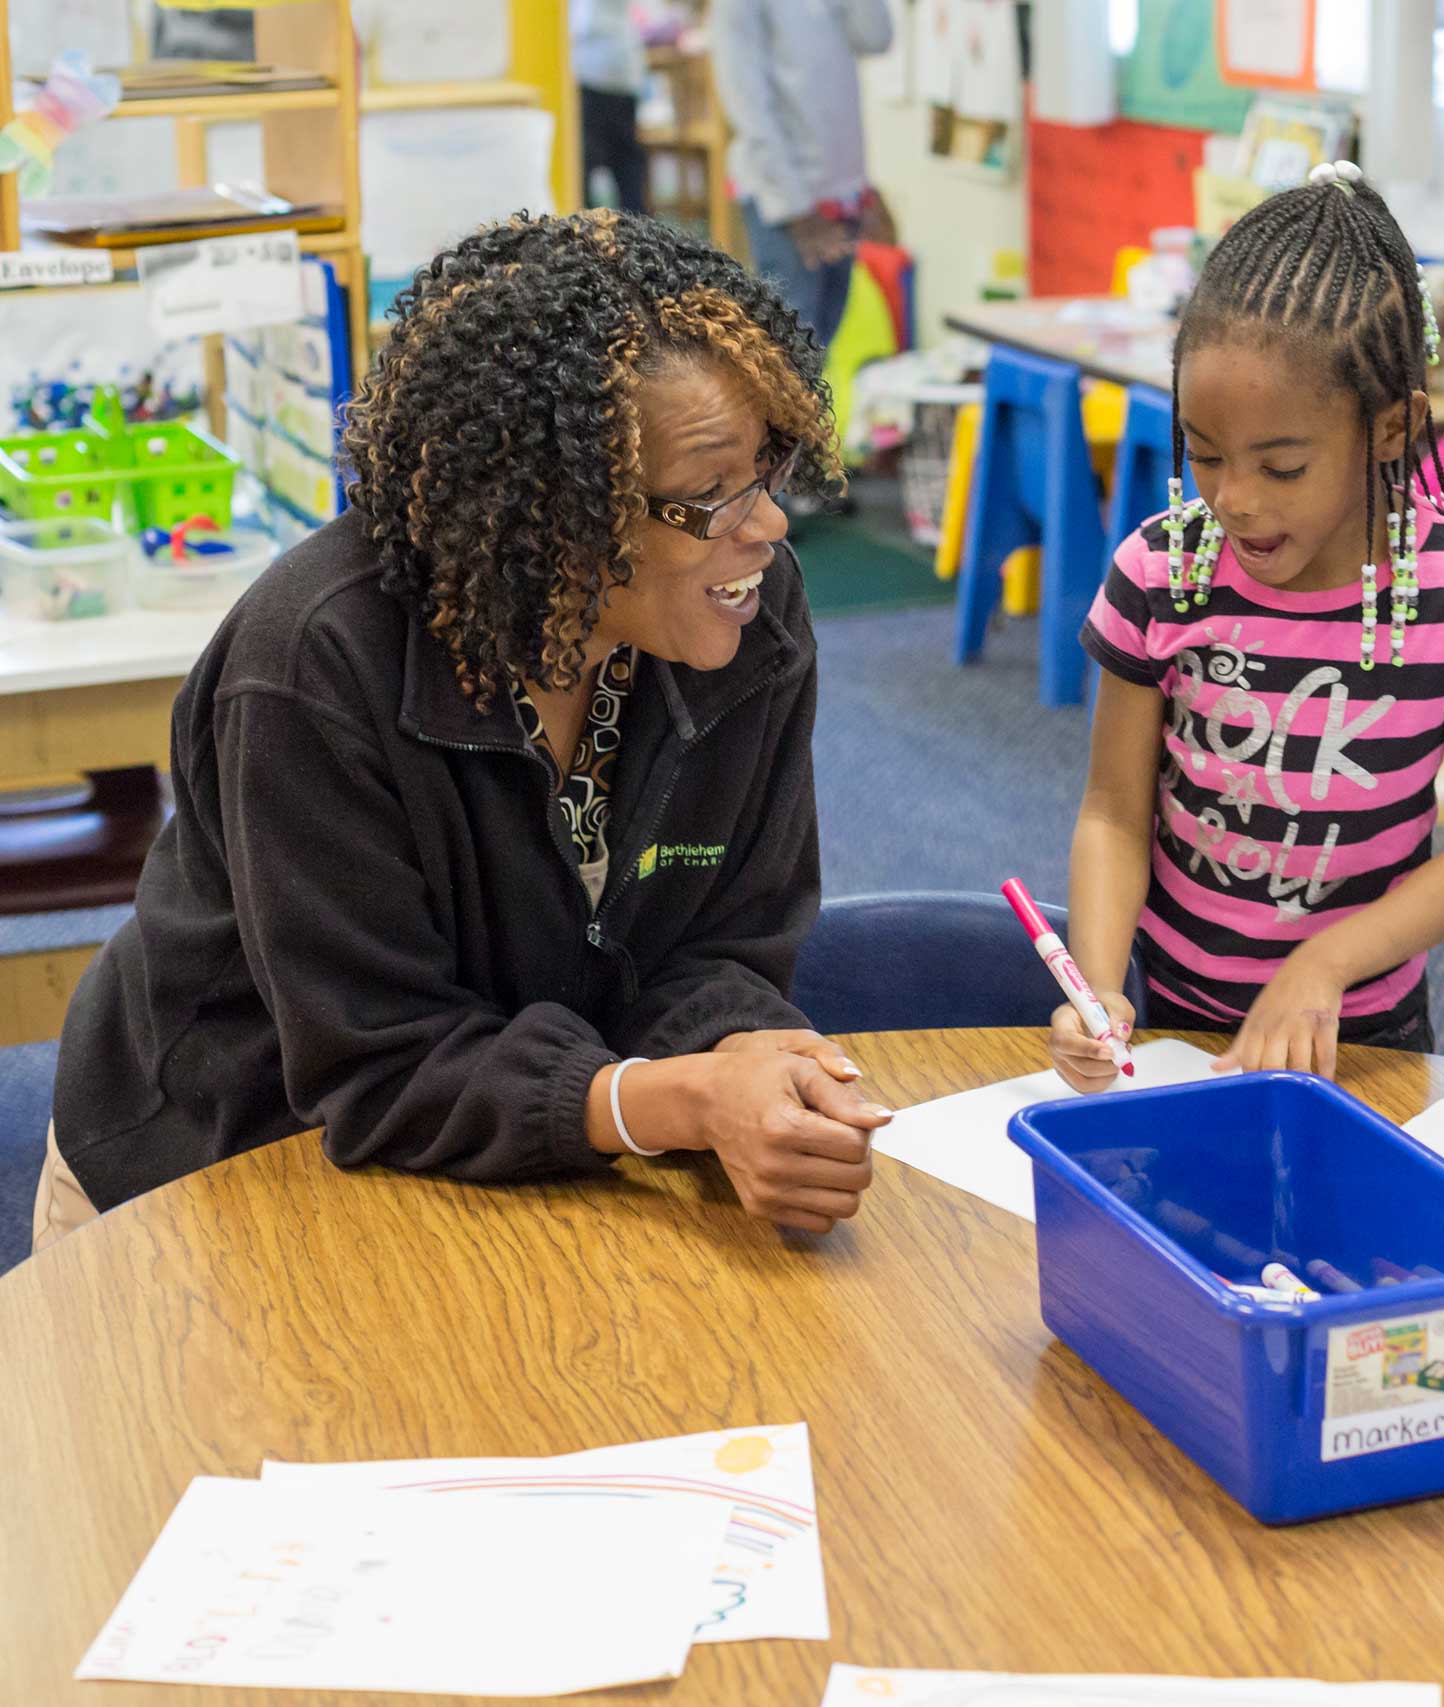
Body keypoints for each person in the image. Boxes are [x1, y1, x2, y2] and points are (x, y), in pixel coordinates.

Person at [39, 212, 884, 1250]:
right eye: (709, 496)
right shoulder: (313, 664)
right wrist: (674, 1102)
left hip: (528, 1156)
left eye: (770, 467)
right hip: (227, 1166)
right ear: (558, 514)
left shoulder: (752, 614)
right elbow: (379, 1064)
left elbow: (727, 939)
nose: (766, 526)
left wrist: (753, 1063)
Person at [1050, 161, 1444, 1086]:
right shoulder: (1161, 573)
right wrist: (1099, 979)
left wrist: (1324, 963)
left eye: (1280, 469)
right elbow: (1115, 811)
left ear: (1393, 429)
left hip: (1361, 1032)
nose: (1234, 500)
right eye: (1205, 455)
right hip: (1174, 1020)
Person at [708, 0, 893, 348]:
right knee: (792, 358)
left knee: (821, 346)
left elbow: (876, 37)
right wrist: (796, 211)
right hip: (788, 204)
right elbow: (747, 105)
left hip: (843, 195)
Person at [573, 0, 650, 215]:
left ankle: (584, 235)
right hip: (624, 72)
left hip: (592, 71)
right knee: (626, 163)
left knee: (586, 162)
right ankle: (639, 230)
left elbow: (582, 23)